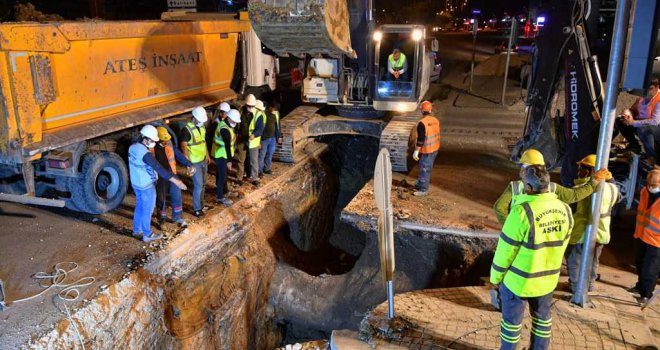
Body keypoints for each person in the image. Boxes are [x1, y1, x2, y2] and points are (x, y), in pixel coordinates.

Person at [490, 165, 574, 350]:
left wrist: (495, 278)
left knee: (511, 324)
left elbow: (505, 251)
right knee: (542, 320)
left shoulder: (521, 212)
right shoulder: (565, 210)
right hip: (547, 280)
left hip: (519, 282)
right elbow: (563, 244)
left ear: (528, 187)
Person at [493, 149, 610, 225]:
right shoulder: (553, 188)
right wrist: (593, 182)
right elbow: (573, 195)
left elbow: (499, 208)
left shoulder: (514, 187)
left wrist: (510, 228)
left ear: (524, 168)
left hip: (519, 231)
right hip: (542, 233)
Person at [566, 155, 618, 293]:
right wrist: (610, 179)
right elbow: (619, 197)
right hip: (600, 234)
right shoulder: (612, 188)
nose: (578, 171)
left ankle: (575, 288)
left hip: (579, 234)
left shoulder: (580, 187)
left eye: (582, 168)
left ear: (590, 171)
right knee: (593, 261)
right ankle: (589, 286)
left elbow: (570, 206)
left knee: (574, 262)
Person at [129, 125, 187, 242]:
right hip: (146, 185)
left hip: (136, 183)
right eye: (151, 140)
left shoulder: (132, 147)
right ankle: (147, 234)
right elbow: (159, 168)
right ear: (144, 138)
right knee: (147, 210)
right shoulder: (145, 153)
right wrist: (176, 181)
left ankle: (136, 230)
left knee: (140, 206)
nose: (153, 143)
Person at [628, 170, 660, 305]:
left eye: (654, 184)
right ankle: (640, 286)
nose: (651, 186)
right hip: (641, 235)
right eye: (649, 183)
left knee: (650, 269)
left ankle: (646, 294)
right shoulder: (644, 192)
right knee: (640, 264)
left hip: (656, 241)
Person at [154, 126, 195, 228]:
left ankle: (177, 217)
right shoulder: (152, 148)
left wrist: (188, 164)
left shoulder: (169, 143)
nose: (166, 142)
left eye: (166, 140)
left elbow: (179, 155)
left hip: (171, 174)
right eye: (163, 140)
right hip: (160, 177)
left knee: (176, 195)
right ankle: (162, 220)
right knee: (161, 198)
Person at [616, 79, 660, 161]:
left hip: (655, 129)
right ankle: (634, 146)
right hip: (639, 125)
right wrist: (627, 113)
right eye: (646, 89)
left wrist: (633, 122)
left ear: (657, 87)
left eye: (651, 88)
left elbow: (655, 122)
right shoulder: (642, 96)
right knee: (620, 120)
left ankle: (651, 156)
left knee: (645, 129)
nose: (648, 92)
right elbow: (633, 109)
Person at [180, 106, 210, 218]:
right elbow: (184, 146)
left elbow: (203, 142)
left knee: (203, 184)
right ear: (194, 118)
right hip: (194, 162)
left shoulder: (201, 127)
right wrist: (188, 163)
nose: (201, 122)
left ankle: (201, 205)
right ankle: (197, 209)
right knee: (198, 186)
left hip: (202, 159)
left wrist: (207, 154)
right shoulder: (186, 130)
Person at [212, 109, 241, 207]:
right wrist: (229, 161)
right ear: (228, 118)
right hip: (221, 155)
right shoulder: (224, 129)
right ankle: (219, 197)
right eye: (234, 121)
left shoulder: (226, 125)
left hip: (223, 154)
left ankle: (225, 192)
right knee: (222, 176)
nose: (235, 123)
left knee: (223, 176)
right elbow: (227, 146)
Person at [411, 101, 440, 197]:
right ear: (430, 110)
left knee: (424, 169)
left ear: (422, 111)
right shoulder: (435, 120)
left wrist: (416, 151)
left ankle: (423, 189)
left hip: (427, 150)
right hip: (435, 148)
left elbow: (421, 139)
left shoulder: (422, 123)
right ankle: (420, 183)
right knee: (425, 168)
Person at [235, 94, 257, 185]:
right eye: (249, 106)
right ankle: (239, 178)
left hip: (251, 140)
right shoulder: (239, 112)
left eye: (252, 106)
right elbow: (236, 126)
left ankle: (249, 175)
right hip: (241, 140)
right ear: (246, 104)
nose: (250, 108)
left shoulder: (254, 113)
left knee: (250, 159)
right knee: (241, 159)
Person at [259, 101, 282, 176]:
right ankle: (259, 171)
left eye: (276, 110)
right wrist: (259, 140)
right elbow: (260, 127)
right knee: (262, 154)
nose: (275, 111)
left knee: (270, 153)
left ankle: (267, 169)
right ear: (270, 107)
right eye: (274, 109)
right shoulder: (264, 114)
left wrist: (279, 136)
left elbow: (278, 126)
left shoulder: (276, 114)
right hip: (264, 138)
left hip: (273, 138)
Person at [247, 100, 266, 185]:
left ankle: (254, 177)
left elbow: (260, 129)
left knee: (254, 160)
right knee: (246, 160)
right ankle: (248, 174)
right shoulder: (249, 112)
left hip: (253, 141)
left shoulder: (259, 115)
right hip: (246, 140)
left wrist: (254, 135)